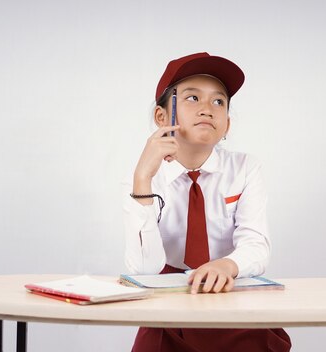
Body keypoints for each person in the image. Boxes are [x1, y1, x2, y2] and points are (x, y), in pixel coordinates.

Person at [122, 52, 291, 352]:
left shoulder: (246, 168)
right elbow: (143, 270)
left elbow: (256, 244)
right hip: (169, 306)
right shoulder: (145, 175)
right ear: (162, 117)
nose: (207, 109)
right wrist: (142, 180)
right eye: (191, 98)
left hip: (230, 297)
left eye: (218, 102)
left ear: (226, 124)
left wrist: (228, 265)